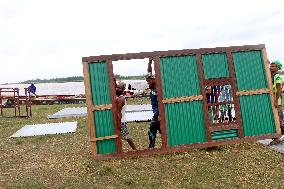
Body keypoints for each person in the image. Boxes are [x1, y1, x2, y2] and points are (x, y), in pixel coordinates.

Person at [116, 82, 137, 150]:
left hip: (121, 121)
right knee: (122, 136)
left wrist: (118, 123)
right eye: (117, 87)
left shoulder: (120, 99)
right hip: (121, 120)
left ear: (123, 90)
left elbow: (118, 112)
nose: (117, 89)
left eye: (119, 88)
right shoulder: (120, 98)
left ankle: (135, 150)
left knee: (126, 137)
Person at [146, 57, 161, 148]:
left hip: (159, 111)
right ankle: (152, 146)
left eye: (149, 81)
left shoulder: (157, 87)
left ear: (154, 79)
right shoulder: (152, 87)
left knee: (151, 129)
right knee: (159, 128)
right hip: (156, 111)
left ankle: (151, 146)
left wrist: (159, 114)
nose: (148, 83)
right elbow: (149, 72)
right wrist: (150, 62)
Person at [270, 60, 284, 145]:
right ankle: (276, 137)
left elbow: (278, 89)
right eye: (270, 66)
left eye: (273, 66)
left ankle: (278, 137)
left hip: (277, 101)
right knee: (275, 119)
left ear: (277, 68)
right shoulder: (270, 75)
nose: (271, 67)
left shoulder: (277, 76)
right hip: (273, 100)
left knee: (279, 119)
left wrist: (275, 101)